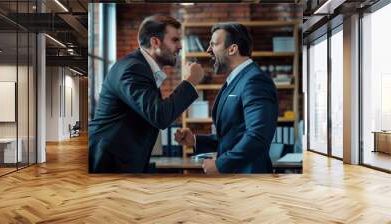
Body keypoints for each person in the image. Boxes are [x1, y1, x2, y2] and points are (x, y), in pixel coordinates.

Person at [88, 14, 205, 173]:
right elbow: (159, 116)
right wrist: (191, 81)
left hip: (124, 161)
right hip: (109, 164)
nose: (180, 46)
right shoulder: (133, 69)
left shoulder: (142, 68)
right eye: (175, 40)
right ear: (155, 42)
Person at [175, 22, 278, 174]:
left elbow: (257, 137)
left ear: (232, 49)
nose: (208, 50)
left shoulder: (255, 80)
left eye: (214, 44)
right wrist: (195, 140)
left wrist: (221, 164)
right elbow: (231, 137)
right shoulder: (236, 80)